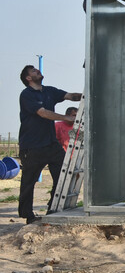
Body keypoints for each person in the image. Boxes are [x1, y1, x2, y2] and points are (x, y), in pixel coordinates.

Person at [18, 66, 82, 224]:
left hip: (51, 144)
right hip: (32, 146)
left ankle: (53, 209)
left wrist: (87, 95)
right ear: (28, 78)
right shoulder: (27, 94)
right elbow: (43, 113)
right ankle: (28, 215)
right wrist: (67, 118)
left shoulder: (49, 91)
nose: (37, 71)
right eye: (33, 71)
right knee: (28, 182)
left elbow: (70, 96)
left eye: (36, 69)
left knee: (63, 175)